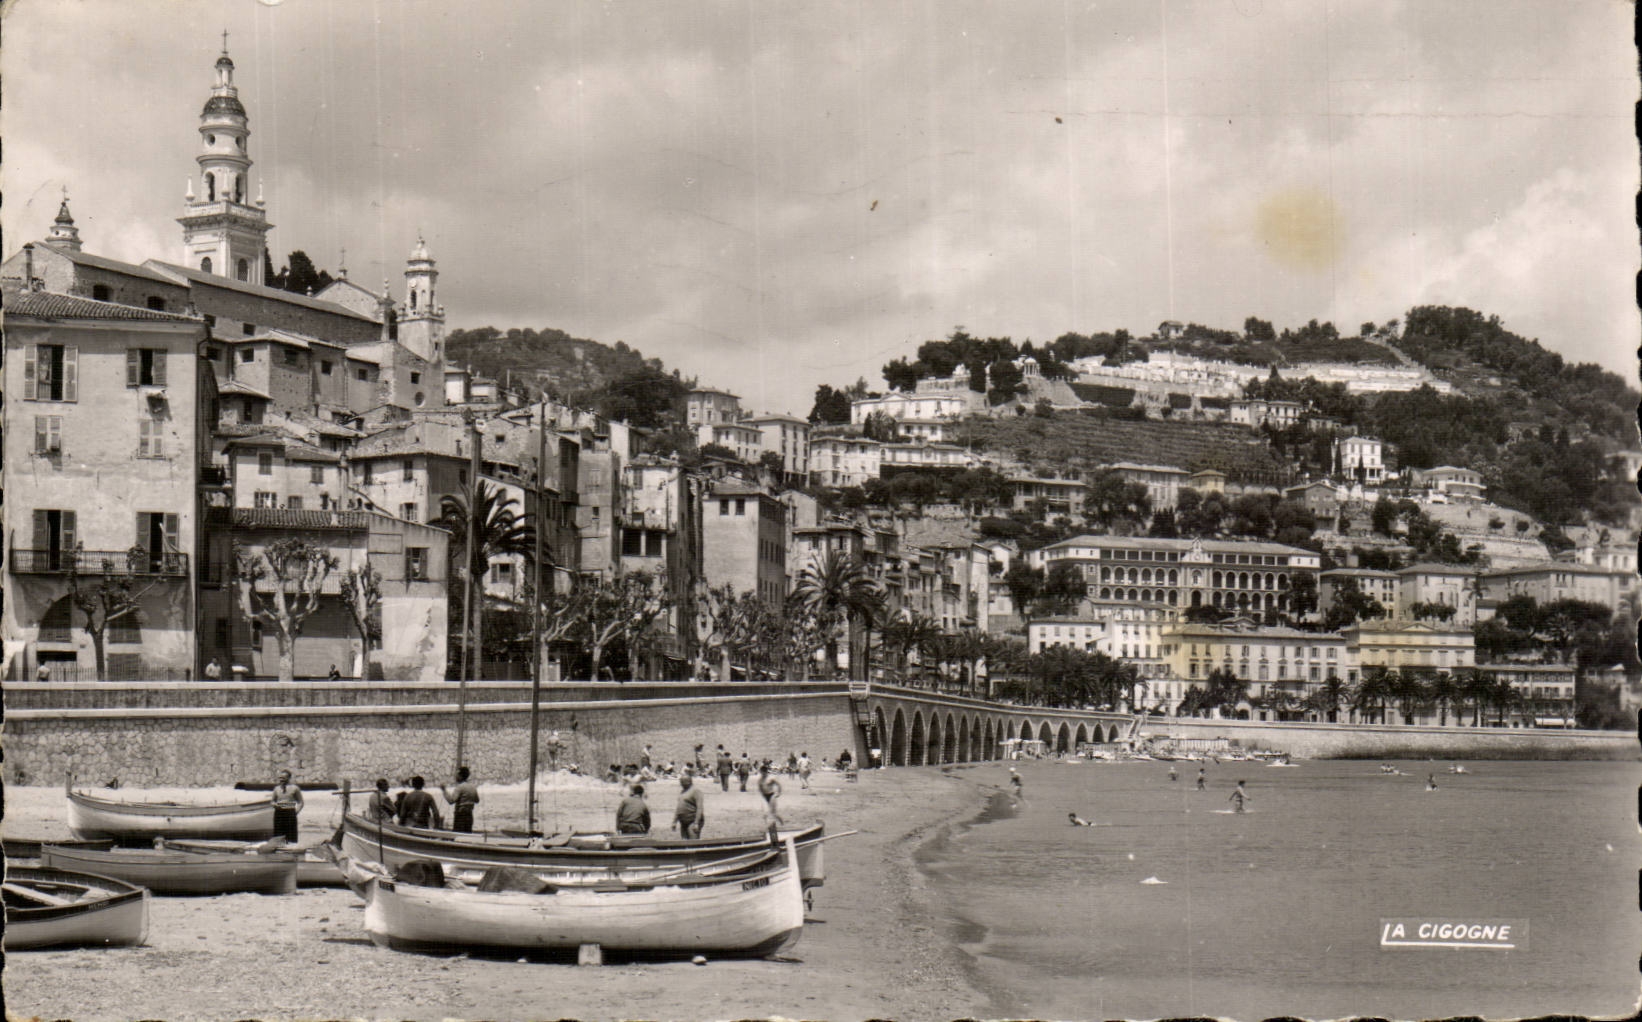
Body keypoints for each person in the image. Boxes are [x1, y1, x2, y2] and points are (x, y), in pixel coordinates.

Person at [440, 766, 481, 833]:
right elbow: (477, 800)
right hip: (469, 815)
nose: (455, 777)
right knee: (467, 834)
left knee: (458, 834)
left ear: (461, 776)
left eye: (457, 775)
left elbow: (451, 801)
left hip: (460, 816)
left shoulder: (459, 787)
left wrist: (444, 790)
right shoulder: (473, 787)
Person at [271, 769, 304, 842]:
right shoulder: (276, 789)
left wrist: (296, 812)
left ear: (288, 778)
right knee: (278, 835)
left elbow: (301, 802)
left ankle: (291, 847)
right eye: (280, 778)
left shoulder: (295, 788)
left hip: (290, 812)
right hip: (279, 813)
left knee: (291, 835)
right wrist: (274, 805)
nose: (281, 780)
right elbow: (272, 801)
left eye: (283, 778)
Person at [674, 774, 705, 838]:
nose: (681, 784)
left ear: (688, 782)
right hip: (683, 821)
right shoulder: (683, 791)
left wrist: (696, 823)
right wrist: (674, 821)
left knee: (693, 840)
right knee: (684, 841)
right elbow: (678, 808)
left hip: (692, 821)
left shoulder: (696, 791)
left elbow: (699, 808)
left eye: (682, 782)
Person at [757, 764, 784, 833]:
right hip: (764, 796)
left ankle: (781, 822)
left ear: (766, 772)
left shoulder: (771, 778)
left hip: (771, 795)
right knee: (765, 813)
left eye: (764, 772)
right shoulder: (760, 780)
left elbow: (779, 785)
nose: (762, 774)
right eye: (761, 772)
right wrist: (762, 796)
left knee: (774, 813)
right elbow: (760, 788)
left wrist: (778, 793)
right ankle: (768, 827)